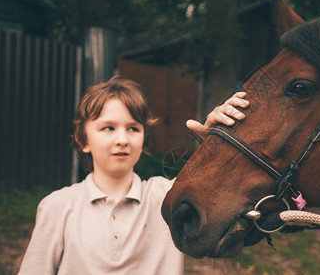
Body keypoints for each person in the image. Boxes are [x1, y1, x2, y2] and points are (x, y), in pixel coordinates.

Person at [18, 76, 249, 275]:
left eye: (133, 128)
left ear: (143, 138)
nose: (123, 139)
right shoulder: (57, 206)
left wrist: (217, 143)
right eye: (108, 128)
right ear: (82, 140)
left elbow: (218, 191)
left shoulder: (165, 196)